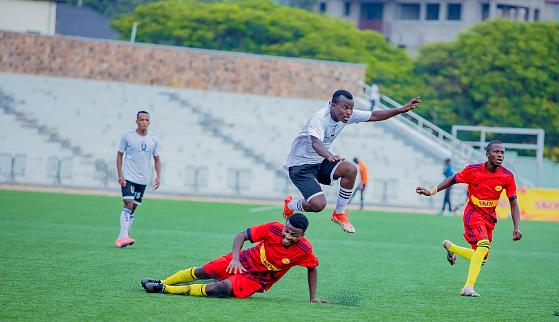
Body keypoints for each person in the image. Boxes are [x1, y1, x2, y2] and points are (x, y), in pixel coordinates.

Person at [282, 89, 421, 234]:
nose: (349, 112)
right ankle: (290, 205)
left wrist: (400, 110)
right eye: (345, 108)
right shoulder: (319, 118)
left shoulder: (347, 115)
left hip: (320, 161)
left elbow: (374, 115)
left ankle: (339, 214)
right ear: (333, 105)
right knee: (318, 205)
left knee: (351, 169)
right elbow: (316, 143)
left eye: (351, 108)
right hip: (300, 166)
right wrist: (329, 156)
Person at [141, 213, 328, 303]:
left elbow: (312, 268)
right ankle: (162, 281)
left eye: (294, 235)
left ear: (302, 235)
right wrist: (235, 259)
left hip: (257, 279)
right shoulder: (273, 228)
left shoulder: (304, 249)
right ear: (284, 225)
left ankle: (164, 289)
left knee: (220, 289)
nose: (287, 236)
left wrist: (313, 297)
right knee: (203, 271)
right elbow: (241, 236)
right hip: (243, 260)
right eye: (286, 231)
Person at [416, 141, 522, 297]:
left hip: (489, 217)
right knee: (483, 244)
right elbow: (452, 179)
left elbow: (513, 203)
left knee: (481, 259)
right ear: (487, 154)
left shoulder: (507, 176)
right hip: (473, 213)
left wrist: (516, 227)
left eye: (502, 153)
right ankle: (468, 287)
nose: (500, 155)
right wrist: (431, 192)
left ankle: (452, 248)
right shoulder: (473, 170)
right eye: (496, 152)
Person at [115, 111, 161, 248]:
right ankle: (124, 236)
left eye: (146, 120)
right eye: (141, 120)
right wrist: (120, 174)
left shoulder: (153, 140)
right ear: (136, 121)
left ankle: (121, 237)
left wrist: (158, 176)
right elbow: (119, 155)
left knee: (133, 208)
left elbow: (157, 159)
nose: (144, 122)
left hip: (143, 180)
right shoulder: (128, 136)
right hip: (128, 177)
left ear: (149, 122)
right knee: (128, 204)